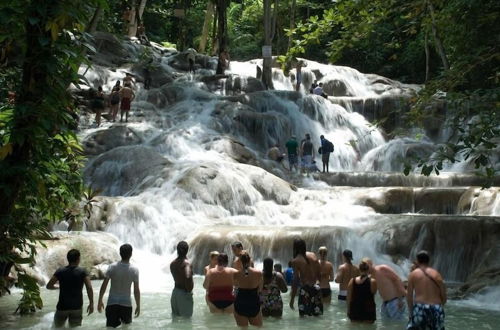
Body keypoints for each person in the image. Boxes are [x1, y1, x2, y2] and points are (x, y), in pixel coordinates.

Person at [46, 249, 94, 328]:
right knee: (75, 328)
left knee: (57, 328)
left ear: (68, 259)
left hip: (62, 307)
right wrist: (91, 303)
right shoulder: (82, 271)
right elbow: (89, 287)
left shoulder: (60, 271)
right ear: (78, 259)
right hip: (77, 307)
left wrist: (58, 287)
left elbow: (49, 286)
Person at [98, 244, 140, 328]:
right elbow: (136, 290)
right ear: (131, 254)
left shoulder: (112, 267)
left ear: (120, 253)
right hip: (126, 305)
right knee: (126, 327)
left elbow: (104, 285)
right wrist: (138, 305)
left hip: (112, 303)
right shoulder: (134, 270)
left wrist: (100, 300)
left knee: (110, 327)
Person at [407, 250, 447, 330]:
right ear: (429, 261)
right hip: (436, 307)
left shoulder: (413, 274)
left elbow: (409, 297)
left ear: (417, 261)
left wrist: (411, 312)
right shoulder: (437, 274)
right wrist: (439, 306)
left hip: (420, 307)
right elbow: (444, 296)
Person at [289, 238, 323, 317]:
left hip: (305, 290)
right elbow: (319, 273)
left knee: (304, 317)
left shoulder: (295, 261)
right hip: (316, 288)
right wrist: (319, 285)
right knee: (317, 316)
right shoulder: (313, 255)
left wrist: (292, 298)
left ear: (295, 248)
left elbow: (296, 280)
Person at [233, 251, 263, 327]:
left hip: (240, 303)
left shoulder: (236, 274)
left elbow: (235, 286)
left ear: (240, 262)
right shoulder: (259, 273)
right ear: (250, 260)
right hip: (254, 302)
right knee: (258, 328)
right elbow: (260, 289)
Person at [170, 241, 194, 318]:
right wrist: (189, 291)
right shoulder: (186, 264)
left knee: (175, 319)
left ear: (177, 250)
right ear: (187, 250)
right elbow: (187, 276)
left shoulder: (173, 264)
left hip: (175, 293)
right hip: (184, 293)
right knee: (186, 321)